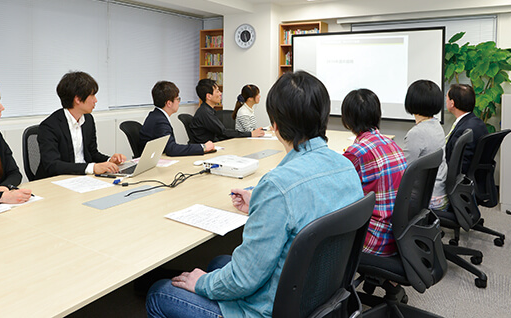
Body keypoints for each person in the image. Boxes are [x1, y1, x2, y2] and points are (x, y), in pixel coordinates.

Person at [146, 71, 364, 318]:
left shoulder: (278, 186)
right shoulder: (346, 166)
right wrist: (262, 206)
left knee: (159, 292)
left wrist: (201, 284)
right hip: (321, 294)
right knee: (218, 262)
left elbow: (243, 280)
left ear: (276, 125)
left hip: (273, 309)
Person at [341, 88, 407, 257]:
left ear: (347, 120)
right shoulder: (392, 143)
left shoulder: (356, 154)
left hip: (375, 239)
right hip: (401, 235)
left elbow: (336, 196)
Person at [37, 71, 126, 179]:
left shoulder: (88, 119)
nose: (96, 100)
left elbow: (92, 153)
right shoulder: (49, 127)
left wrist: (109, 160)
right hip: (57, 181)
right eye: (92, 95)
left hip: (85, 179)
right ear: (78, 99)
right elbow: (53, 165)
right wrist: (92, 168)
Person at [403, 80, 449, 210]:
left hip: (427, 199)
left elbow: (403, 171)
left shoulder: (416, 133)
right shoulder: (436, 125)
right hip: (438, 192)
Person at [140, 81, 214, 156]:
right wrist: (203, 147)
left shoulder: (156, 115)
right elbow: (172, 149)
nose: (179, 102)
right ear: (169, 103)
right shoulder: (160, 121)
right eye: (178, 99)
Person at [189, 79, 264, 143]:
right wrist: (250, 134)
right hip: (207, 149)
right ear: (209, 96)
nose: (220, 93)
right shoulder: (205, 113)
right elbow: (223, 132)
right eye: (217, 91)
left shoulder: (208, 110)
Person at [445, 83, 488, 174]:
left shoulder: (464, 131)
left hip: (459, 182)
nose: (445, 100)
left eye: (447, 97)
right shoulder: (478, 123)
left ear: (452, 103)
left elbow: (458, 166)